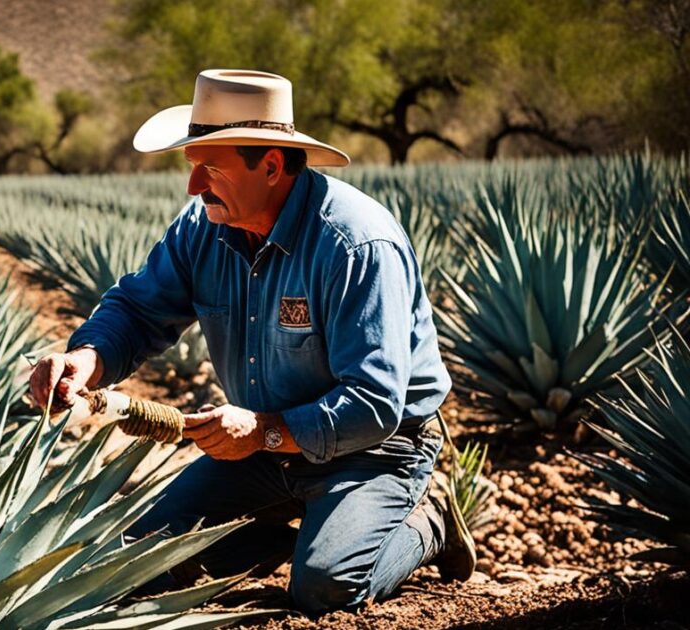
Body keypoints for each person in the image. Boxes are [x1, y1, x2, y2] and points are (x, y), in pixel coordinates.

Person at [28, 69, 476, 614]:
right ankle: (299, 534)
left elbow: (374, 403)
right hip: (260, 446)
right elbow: (139, 307)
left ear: (269, 166)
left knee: (325, 589)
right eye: (192, 167)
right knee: (134, 558)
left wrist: (264, 432)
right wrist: (86, 358)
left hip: (375, 449)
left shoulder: (355, 245)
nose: (193, 187)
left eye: (209, 169)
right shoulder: (203, 226)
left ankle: (426, 528)